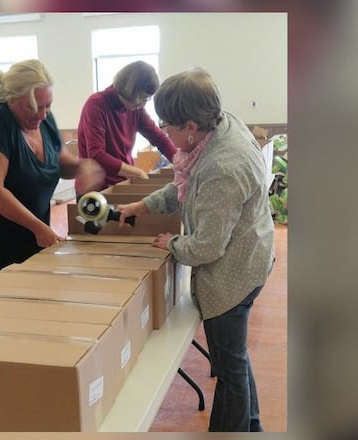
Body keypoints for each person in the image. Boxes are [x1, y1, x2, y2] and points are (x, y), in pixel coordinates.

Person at [117, 68, 275, 432]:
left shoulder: (223, 165)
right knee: (234, 358)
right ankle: (252, 427)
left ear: (190, 125)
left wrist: (170, 243)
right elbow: (187, 187)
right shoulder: (215, 130)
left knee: (229, 370)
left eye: (167, 125)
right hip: (250, 256)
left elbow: (206, 246)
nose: (164, 132)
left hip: (234, 276)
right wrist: (142, 206)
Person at [0, 59, 103, 288]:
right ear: (11, 99)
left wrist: (82, 167)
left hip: (29, 244)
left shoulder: (44, 121)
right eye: (33, 107)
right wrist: (38, 227)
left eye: (48, 106)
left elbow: (62, 163)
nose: (43, 114)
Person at [75, 60, 177, 195]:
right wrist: (136, 171)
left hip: (121, 183)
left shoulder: (136, 109)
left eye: (147, 99)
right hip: (95, 187)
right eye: (142, 98)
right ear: (131, 90)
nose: (143, 104)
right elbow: (97, 154)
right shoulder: (96, 104)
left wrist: (180, 163)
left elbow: (159, 138)